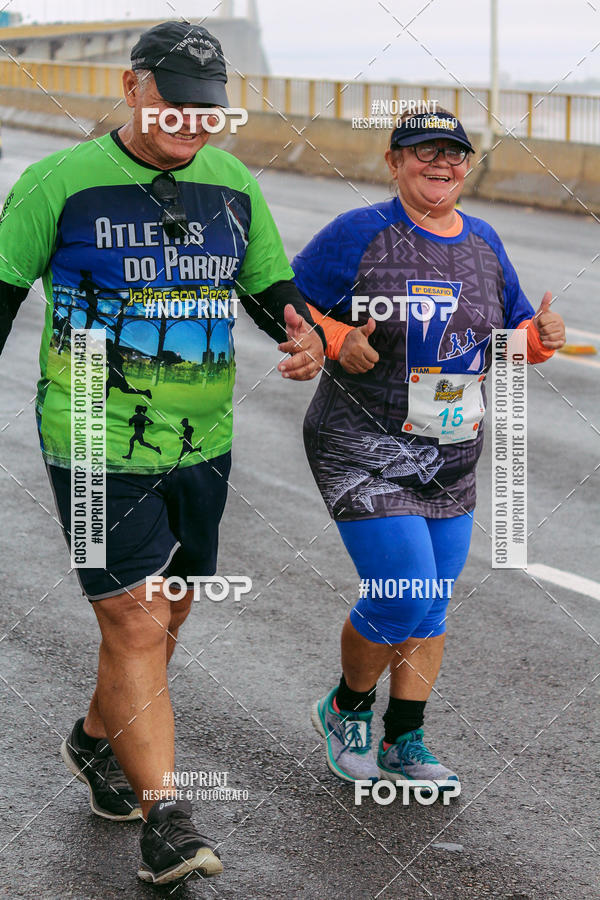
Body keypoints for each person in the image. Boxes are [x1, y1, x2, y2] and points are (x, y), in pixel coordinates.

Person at [0, 21, 324, 885]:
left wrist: (308, 336)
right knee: (133, 618)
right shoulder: (57, 184)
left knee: (170, 613)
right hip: (96, 438)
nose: (192, 124)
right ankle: (167, 819)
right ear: (134, 87)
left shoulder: (231, 183)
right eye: (176, 104)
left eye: (207, 111)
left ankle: (97, 742)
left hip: (203, 442)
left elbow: (270, 292)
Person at [292, 110, 565, 790]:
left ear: (467, 166)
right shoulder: (362, 233)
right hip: (361, 445)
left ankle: (404, 740)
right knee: (403, 592)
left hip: (450, 450)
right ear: (393, 162)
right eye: (422, 153)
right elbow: (286, 300)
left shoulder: (483, 241)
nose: (439, 164)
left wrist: (542, 337)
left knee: (433, 602)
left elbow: (512, 334)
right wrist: (331, 337)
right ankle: (346, 710)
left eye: (453, 154)